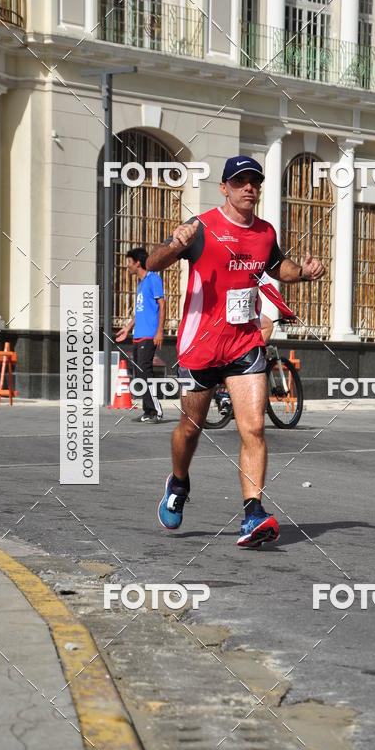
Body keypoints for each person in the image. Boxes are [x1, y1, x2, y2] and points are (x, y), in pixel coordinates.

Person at [146, 155, 325, 548]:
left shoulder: (263, 232)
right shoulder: (201, 227)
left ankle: (253, 513)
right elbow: (152, 262)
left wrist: (304, 273)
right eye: (240, 181)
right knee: (189, 430)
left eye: (255, 182)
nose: (249, 188)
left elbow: (279, 266)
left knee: (254, 428)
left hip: (244, 344)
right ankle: (178, 482)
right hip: (200, 346)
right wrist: (173, 244)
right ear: (224, 187)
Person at [115, 248, 166, 423]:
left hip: (149, 335)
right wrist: (128, 328)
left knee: (145, 372)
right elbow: (140, 310)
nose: (127, 266)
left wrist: (160, 331)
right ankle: (148, 411)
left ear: (137, 262)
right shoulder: (141, 283)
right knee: (140, 373)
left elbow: (162, 305)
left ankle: (156, 411)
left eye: (129, 262)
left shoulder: (153, 279)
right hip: (138, 334)